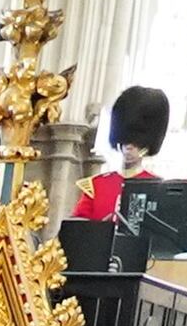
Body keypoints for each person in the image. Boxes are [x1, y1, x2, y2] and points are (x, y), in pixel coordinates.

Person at [72, 83, 168, 222]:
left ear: (146, 145)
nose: (128, 147)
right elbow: (77, 227)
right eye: (125, 141)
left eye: (135, 143)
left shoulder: (157, 188)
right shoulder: (96, 186)